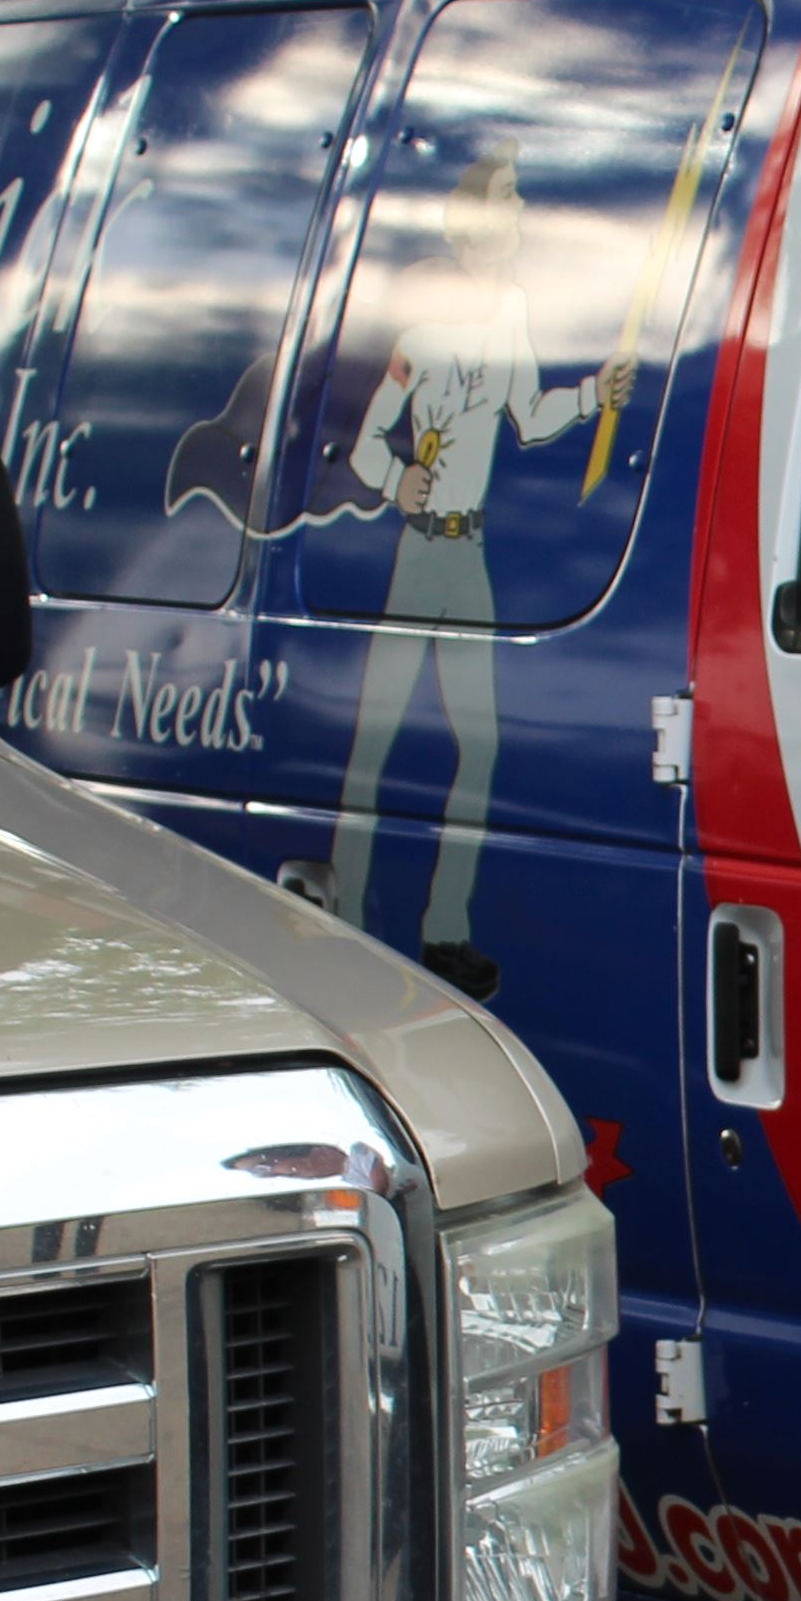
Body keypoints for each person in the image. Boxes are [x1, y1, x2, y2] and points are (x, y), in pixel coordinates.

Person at [325, 153, 595, 990]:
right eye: (510, 199)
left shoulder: (511, 312)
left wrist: (594, 395)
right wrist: (394, 478)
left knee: (477, 747)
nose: (520, 215)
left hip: (468, 553)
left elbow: (530, 417)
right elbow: (368, 440)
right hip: (419, 553)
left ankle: (447, 927)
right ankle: (338, 921)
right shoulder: (421, 329)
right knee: (373, 746)